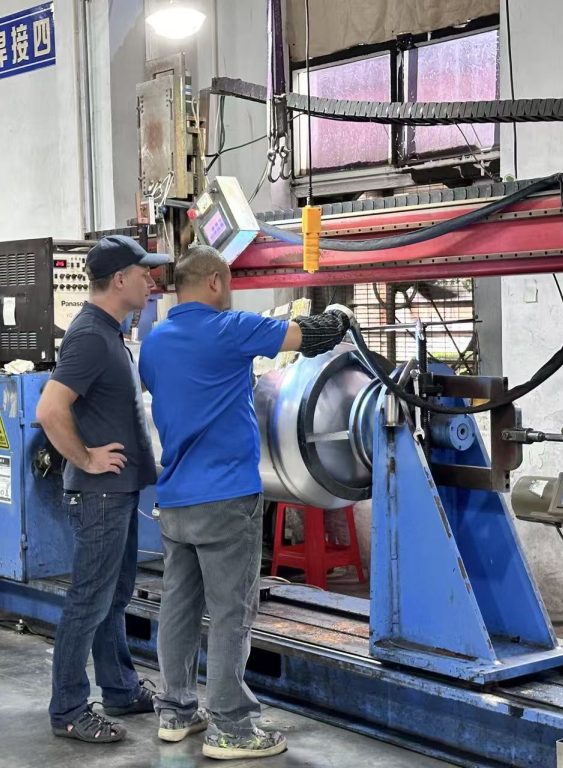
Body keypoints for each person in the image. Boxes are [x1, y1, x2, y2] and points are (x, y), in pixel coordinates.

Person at [138, 244, 353, 760]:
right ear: (214, 282)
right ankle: (232, 726)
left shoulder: (155, 341)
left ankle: (176, 711)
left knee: (180, 606)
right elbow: (309, 336)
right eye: (230, 282)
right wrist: (341, 316)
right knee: (232, 611)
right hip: (226, 497)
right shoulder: (230, 328)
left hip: (177, 498)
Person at [36, 235, 169, 743]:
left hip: (118, 492)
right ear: (119, 280)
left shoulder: (109, 332)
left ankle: (119, 688)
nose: (150, 281)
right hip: (99, 495)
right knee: (89, 600)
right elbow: (50, 409)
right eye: (143, 273)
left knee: (113, 597)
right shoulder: (91, 336)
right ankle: (69, 707)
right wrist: (87, 458)